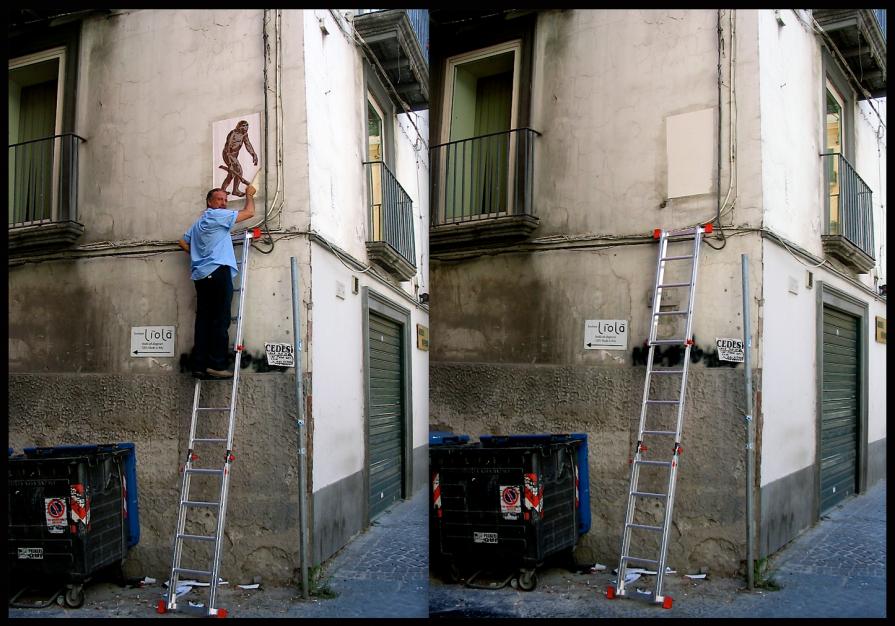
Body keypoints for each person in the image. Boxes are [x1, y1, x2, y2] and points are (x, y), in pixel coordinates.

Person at [178, 185, 256, 378]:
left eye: (225, 200)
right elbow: (249, 213)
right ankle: (217, 364)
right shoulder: (217, 216)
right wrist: (249, 195)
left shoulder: (199, 223)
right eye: (219, 199)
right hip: (218, 271)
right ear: (209, 202)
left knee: (203, 321)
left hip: (201, 276)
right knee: (220, 319)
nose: (223, 203)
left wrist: (196, 254)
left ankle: (199, 365)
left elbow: (182, 241)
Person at [219, 120, 258, 197]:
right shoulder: (233, 133)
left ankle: (222, 190)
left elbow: (248, 145)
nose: (246, 129)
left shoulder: (244, 135)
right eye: (244, 127)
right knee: (239, 170)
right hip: (228, 155)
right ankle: (235, 190)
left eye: (247, 127)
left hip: (234, 156)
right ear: (240, 127)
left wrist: (253, 154)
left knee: (232, 173)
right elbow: (227, 148)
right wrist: (230, 163)